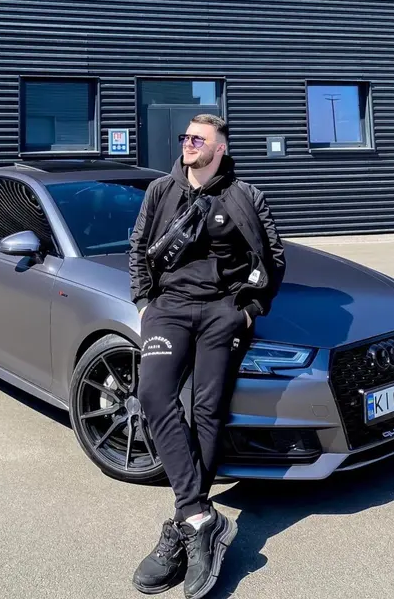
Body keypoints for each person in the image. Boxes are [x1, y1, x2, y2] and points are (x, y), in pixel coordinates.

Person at [129, 114, 285, 599]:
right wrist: (144, 303)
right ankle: (198, 515)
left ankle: (184, 525)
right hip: (169, 309)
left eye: (199, 139)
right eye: (186, 137)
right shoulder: (161, 190)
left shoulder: (246, 195)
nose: (188, 144)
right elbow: (138, 246)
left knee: (207, 410)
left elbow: (274, 257)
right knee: (154, 395)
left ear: (220, 148)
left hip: (223, 311)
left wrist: (250, 310)